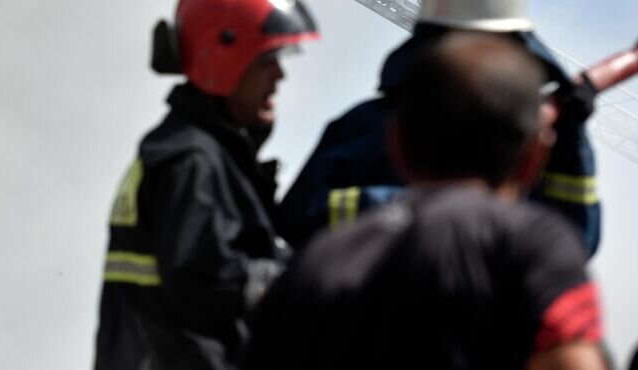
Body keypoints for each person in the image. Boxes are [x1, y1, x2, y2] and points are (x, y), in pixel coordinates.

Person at [245, 33, 607, 370]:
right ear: (531, 159)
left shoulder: (316, 264)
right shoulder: (531, 245)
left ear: (396, 142)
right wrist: (569, 141)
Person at [276, 0, 601, 255]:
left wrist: (571, 140)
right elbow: (299, 219)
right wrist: (413, 212)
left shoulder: (534, 136)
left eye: (492, 48)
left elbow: (574, 242)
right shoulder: (370, 124)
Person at [93, 0, 319, 370]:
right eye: (267, 59)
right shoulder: (192, 161)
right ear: (224, 57)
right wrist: (315, 277)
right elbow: (205, 279)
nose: (280, 75)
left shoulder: (195, 151)